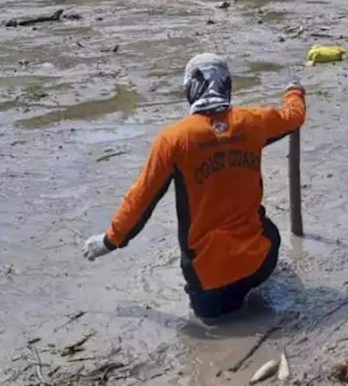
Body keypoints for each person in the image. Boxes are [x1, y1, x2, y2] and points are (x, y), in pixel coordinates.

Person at [82, 54, 307, 320]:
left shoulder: (173, 140)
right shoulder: (254, 122)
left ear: (190, 88)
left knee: (213, 324)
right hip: (261, 260)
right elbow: (293, 116)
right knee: (266, 232)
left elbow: (141, 199)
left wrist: (111, 240)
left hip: (209, 282)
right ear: (226, 85)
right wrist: (294, 90)